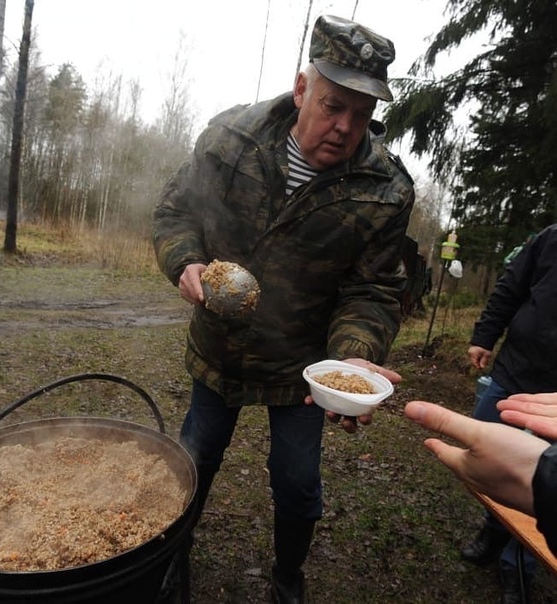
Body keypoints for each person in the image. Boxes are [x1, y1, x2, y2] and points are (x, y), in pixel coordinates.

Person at [152, 14, 414, 603]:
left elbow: (372, 289)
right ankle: (173, 559)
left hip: (302, 369)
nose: (345, 127)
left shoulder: (384, 190)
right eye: (333, 105)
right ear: (302, 89)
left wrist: (352, 359)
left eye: (362, 113)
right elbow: (174, 215)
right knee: (194, 463)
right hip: (219, 350)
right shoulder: (230, 141)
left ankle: (288, 577)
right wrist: (186, 262)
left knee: (297, 485)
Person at [463, 223, 557, 603]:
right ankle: (493, 530)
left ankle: (518, 565)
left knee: (546, 480)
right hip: (513, 371)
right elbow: (511, 287)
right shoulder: (549, 238)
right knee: (489, 458)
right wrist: (484, 336)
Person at [404, 396, 557, 558]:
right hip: (508, 381)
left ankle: (518, 562)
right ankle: (493, 535)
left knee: (529, 530)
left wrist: (536, 476)